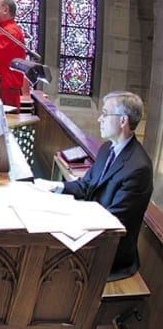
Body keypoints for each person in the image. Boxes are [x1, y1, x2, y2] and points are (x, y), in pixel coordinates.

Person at [35, 91, 153, 281]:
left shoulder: (138, 168)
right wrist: (56, 187)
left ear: (123, 120)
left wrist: (69, 221)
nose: (99, 119)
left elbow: (114, 221)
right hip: (93, 231)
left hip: (110, 254)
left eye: (105, 113)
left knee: (46, 258)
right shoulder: (107, 149)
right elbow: (87, 185)